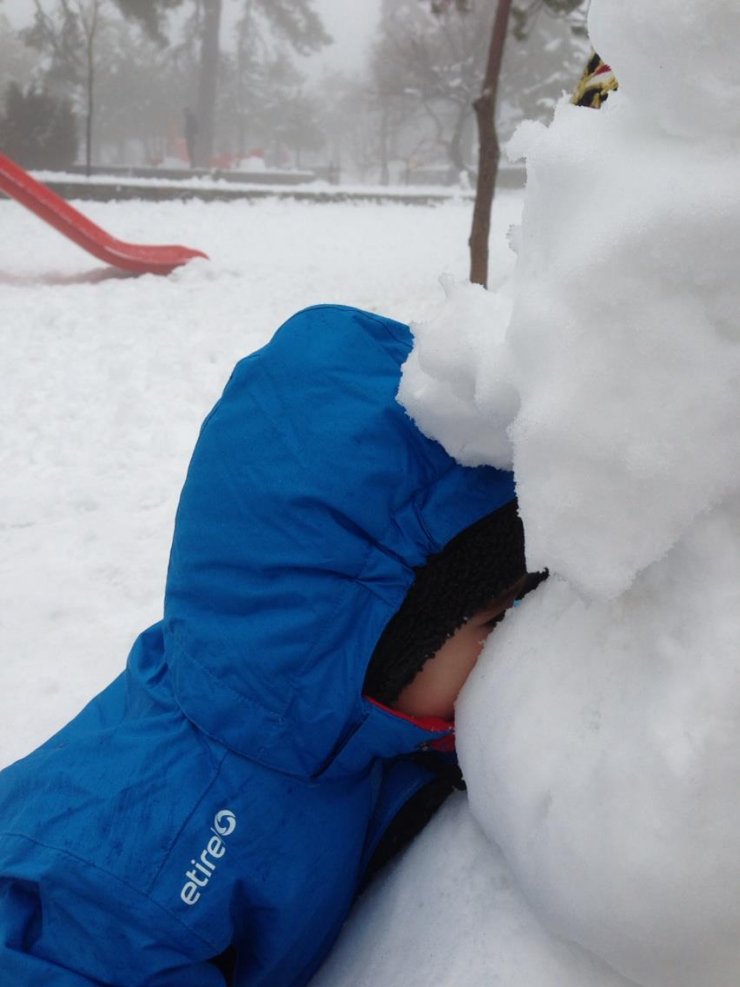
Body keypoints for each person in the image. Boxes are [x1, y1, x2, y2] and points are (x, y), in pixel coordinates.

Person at [0, 305, 543, 986]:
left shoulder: (305, 702)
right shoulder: (151, 862)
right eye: (494, 620)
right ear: (380, 641)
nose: (520, 641)